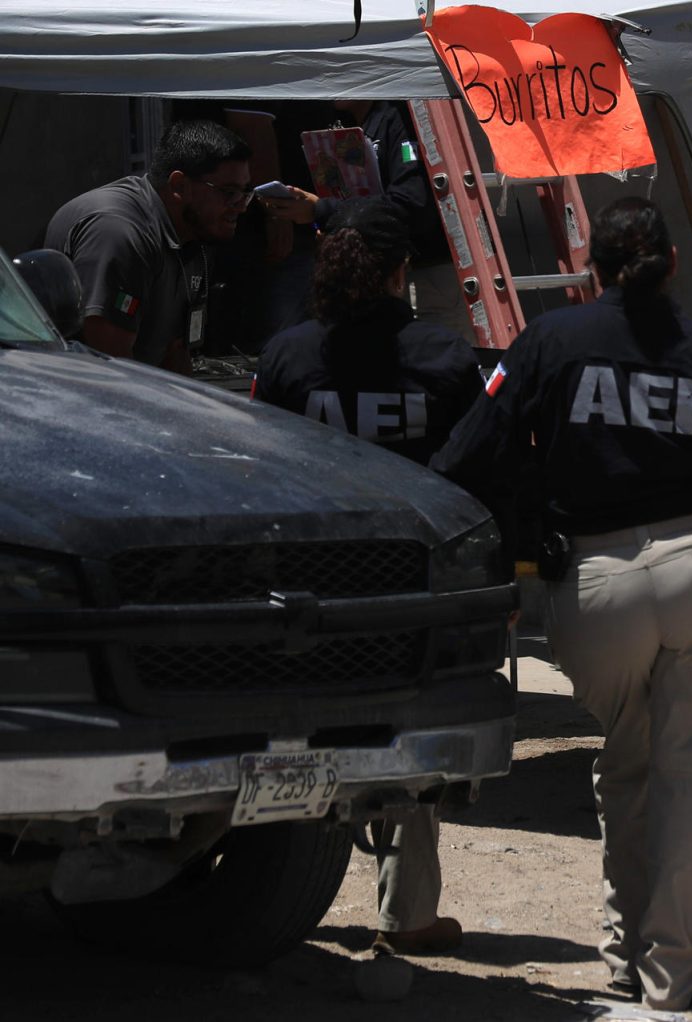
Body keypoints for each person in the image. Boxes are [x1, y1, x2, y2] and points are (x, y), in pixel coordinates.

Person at [430, 197, 692, 1011]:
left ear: (591, 270)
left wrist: (517, 543)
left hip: (595, 580)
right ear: (670, 266)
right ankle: (670, 972)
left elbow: (468, 457)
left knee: (629, 760)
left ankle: (624, 954)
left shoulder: (550, 343)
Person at [253, 198, 484, 956]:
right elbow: (479, 476)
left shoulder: (288, 357)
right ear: (398, 274)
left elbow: (258, 471)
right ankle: (408, 913)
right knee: (407, 741)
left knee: (288, 738)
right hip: (409, 587)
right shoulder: (447, 359)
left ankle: (266, 905)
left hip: (305, 585)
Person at [45, 120, 252, 374]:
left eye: (245, 192)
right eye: (229, 192)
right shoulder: (120, 233)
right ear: (179, 186)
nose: (241, 205)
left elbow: (176, 353)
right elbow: (112, 366)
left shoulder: (193, 234)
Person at [262, 100, 473, 339]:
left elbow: (411, 202)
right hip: (379, 286)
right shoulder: (346, 122)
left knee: (431, 364)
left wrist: (322, 210)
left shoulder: (402, 117)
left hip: (424, 279)